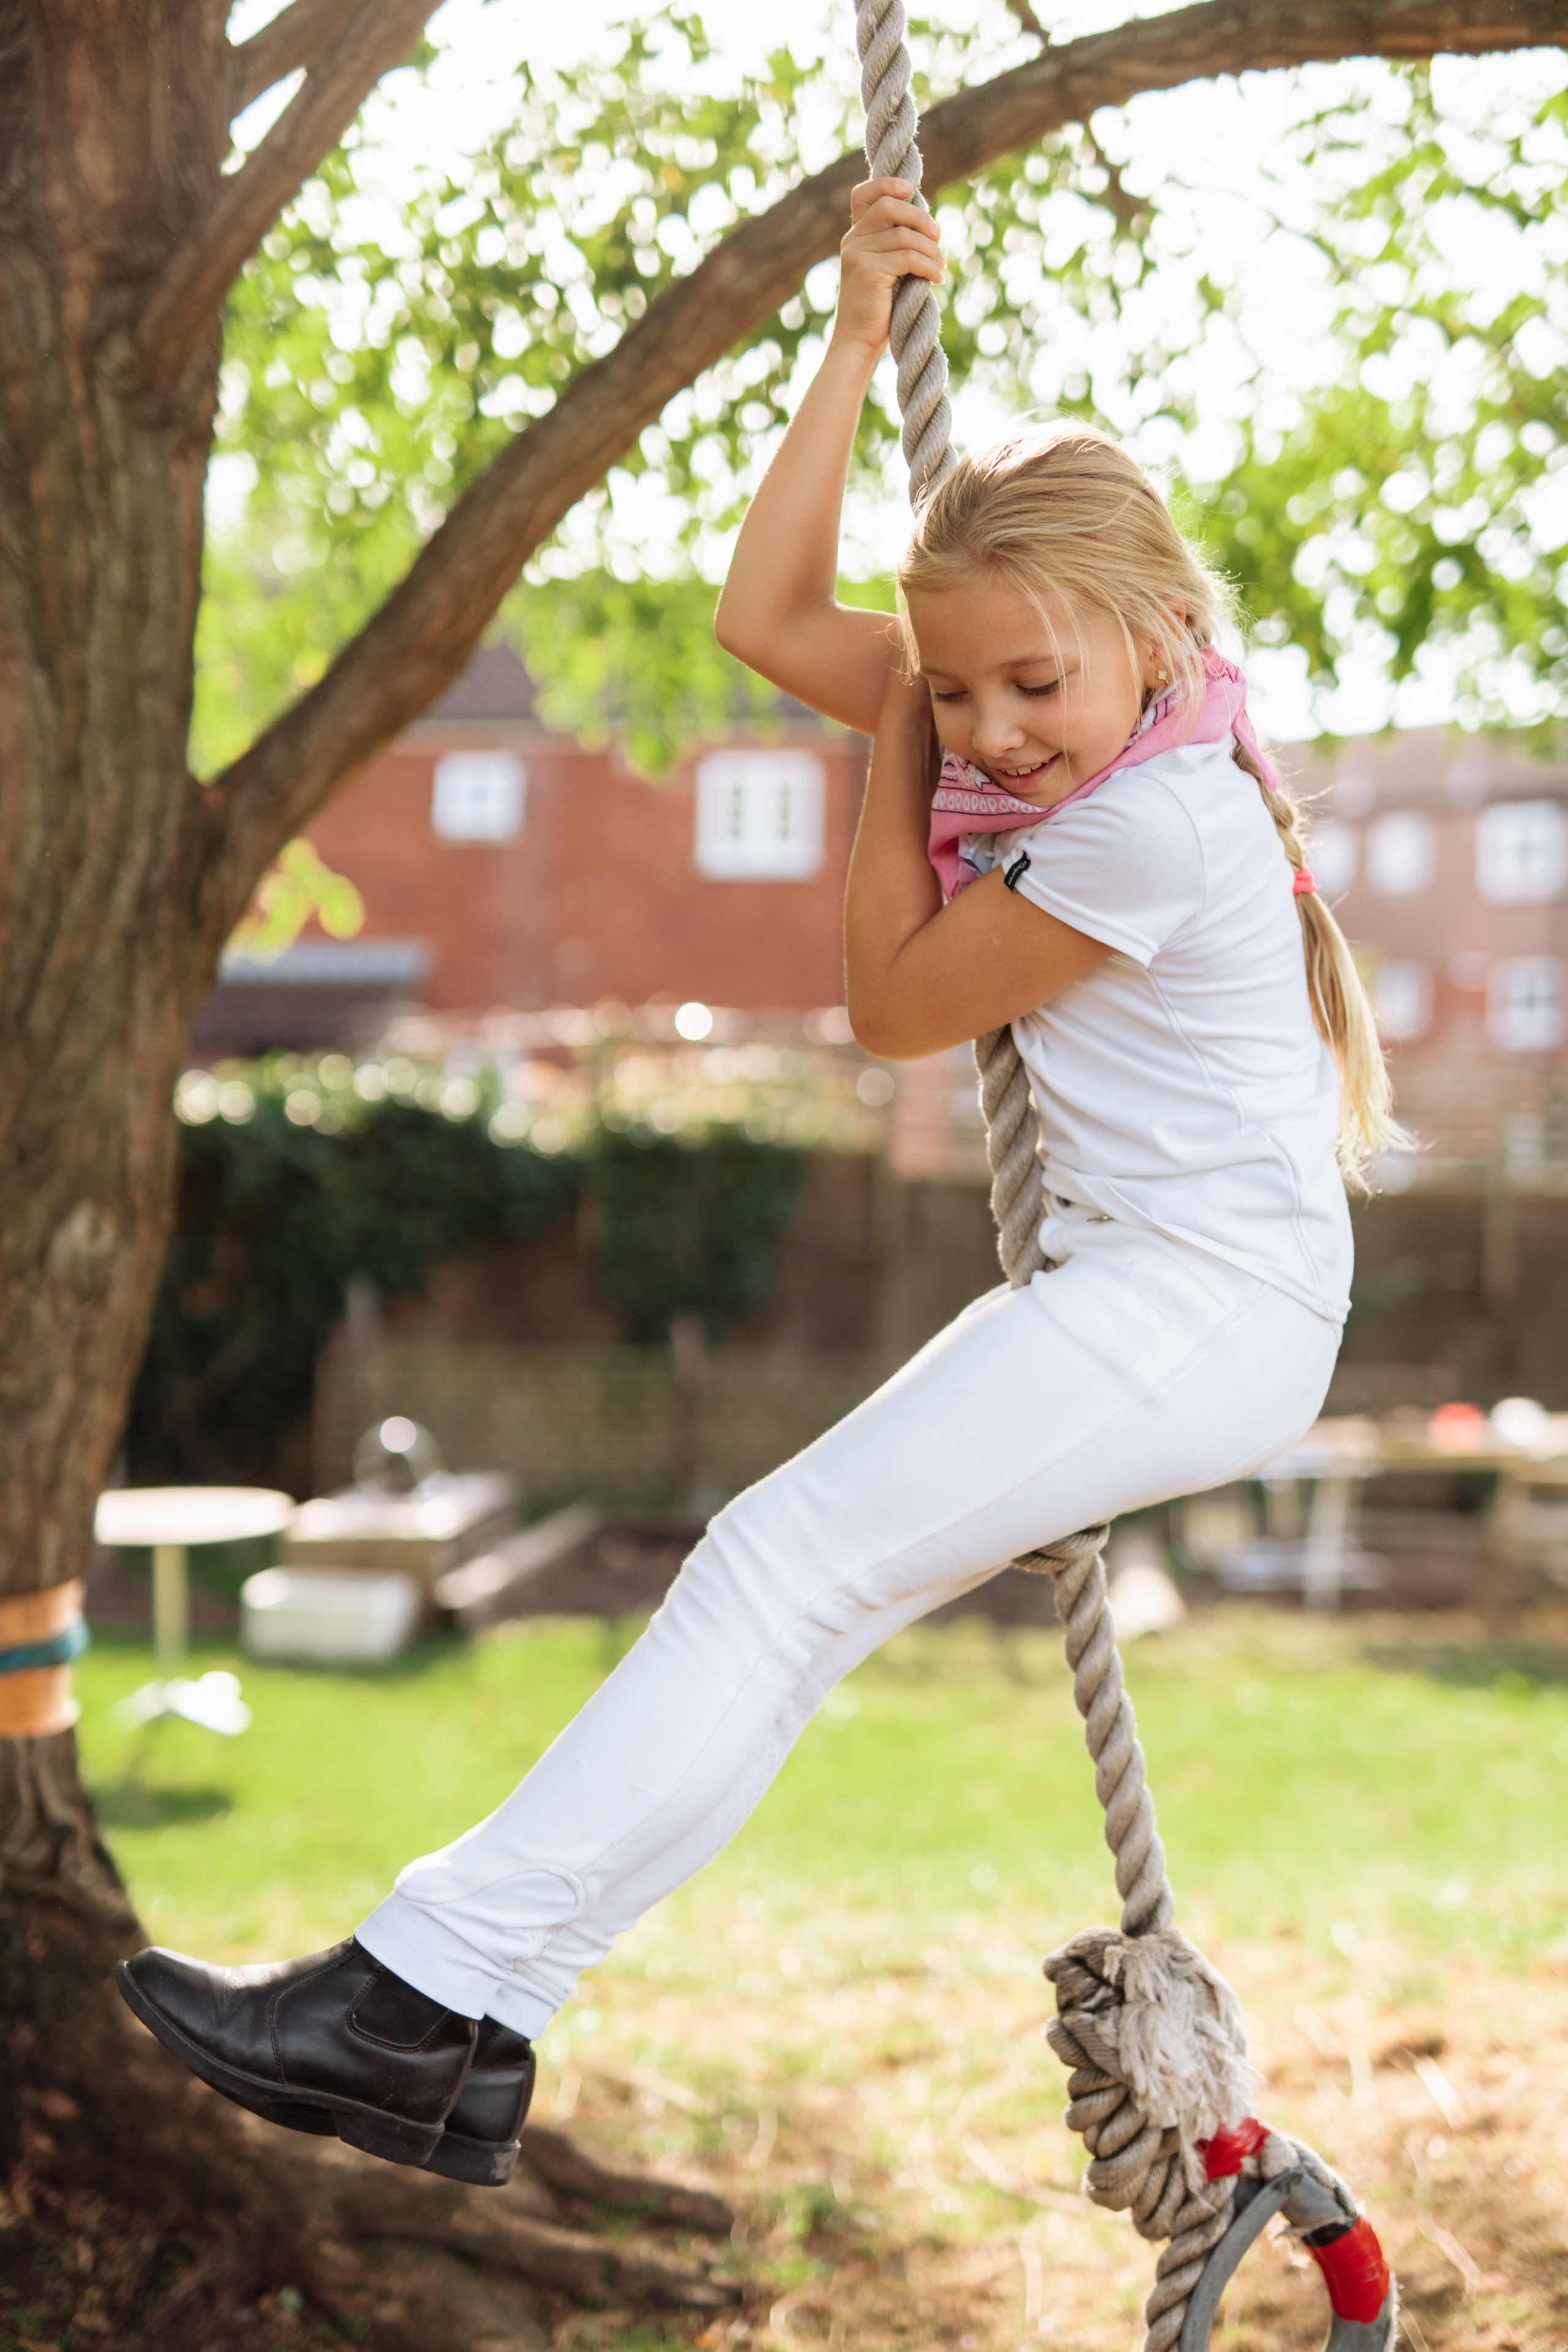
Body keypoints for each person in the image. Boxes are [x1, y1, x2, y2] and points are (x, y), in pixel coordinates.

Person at [118, 179, 1395, 2188]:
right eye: (960, 688)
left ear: (1158, 638)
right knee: (781, 1604)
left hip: (1203, 1303)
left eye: (1028, 688)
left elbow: (890, 1010)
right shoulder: (1067, 746)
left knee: (768, 1570)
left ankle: (423, 1994)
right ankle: (458, 2031)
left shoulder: (1155, 827)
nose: (989, 727)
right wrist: (847, 342)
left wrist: (901, 732)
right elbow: (759, 618)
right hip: (1145, 1292)